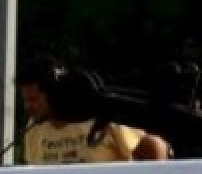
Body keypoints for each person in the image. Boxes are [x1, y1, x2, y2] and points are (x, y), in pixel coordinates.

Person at [18, 56, 171, 164]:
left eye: (33, 100)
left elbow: (154, 146)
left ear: (54, 93)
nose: (27, 107)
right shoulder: (34, 129)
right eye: (25, 100)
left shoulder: (102, 112)